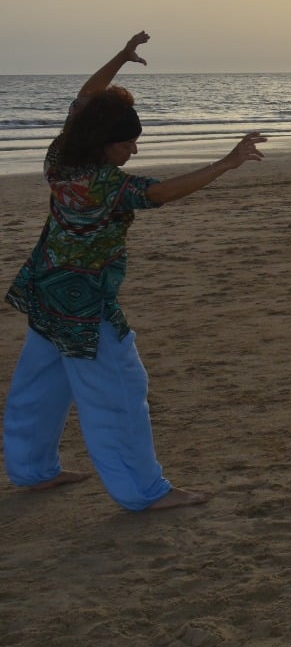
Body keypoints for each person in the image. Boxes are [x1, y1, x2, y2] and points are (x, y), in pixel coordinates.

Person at [4, 32, 267, 511]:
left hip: (44, 286)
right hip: (83, 302)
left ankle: (32, 469)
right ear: (105, 144)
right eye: (127, 145)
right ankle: (143, 492)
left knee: (40, 380)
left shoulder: (59, 156)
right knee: (119, 390)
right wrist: (226, 163)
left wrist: (119, 60)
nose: (133, 152)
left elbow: (86, 98)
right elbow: (160, 193)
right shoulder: (105, 185)